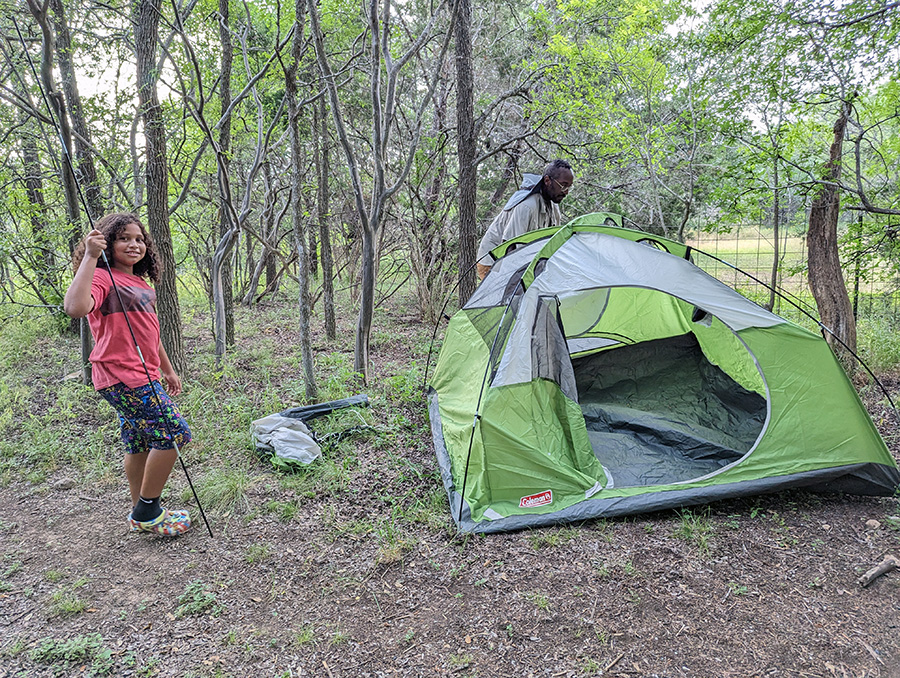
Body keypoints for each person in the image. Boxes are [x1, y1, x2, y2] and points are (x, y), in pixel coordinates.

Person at [64, 213, 192, 536]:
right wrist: (91, 257)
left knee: (137, 442)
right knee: (174, 433)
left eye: (138, 239)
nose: (133, 244)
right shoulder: (104, 277)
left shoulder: (140, 283)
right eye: (124, 238)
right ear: (108, 242)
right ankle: (148, 510)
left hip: (144, 374)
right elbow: (75, 307)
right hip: (124, 376)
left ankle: (140, 511)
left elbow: (150, 333)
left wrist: (168, 369)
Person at [476, 158, 575, 280]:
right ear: (547, 180)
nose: (566, 192)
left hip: (521, 260)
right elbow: (511, 248)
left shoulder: (554, 207)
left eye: (569, 187)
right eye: (563, 185)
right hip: (494, 262)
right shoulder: (526, 206)